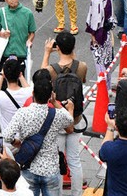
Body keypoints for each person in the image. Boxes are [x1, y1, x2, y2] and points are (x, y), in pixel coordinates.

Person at [4, 77, 74, 196]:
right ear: (50, 95)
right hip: (50, 168)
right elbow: (70, 120)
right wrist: (56, 103)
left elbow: (7, 136)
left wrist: (15, 142)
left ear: (33, 94)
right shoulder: (56, 114)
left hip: (29, 166)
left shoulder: (22, 113)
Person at [41, 32, 86, 196]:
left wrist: (47, 53)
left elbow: (40, 77)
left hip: (56, 120)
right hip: (75, 118)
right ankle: (77, 193)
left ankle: (57, 193)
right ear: (73, 47)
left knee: (58, 159)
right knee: (74, 160)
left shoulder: (51, 70)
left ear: (57, 47)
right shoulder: (82, 67)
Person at [86, 0, 115, 87]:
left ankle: (103, 88)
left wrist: (93, 34)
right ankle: (107, 85)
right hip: (107, 31)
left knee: (100, 61)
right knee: (107, 60)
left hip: (100, 33)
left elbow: (96, 18)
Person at [0, 57, 32, 131]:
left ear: (5, 75)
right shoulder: (28, 93)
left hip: (7, 138)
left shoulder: (0, 96)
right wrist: (21, 76)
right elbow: (29, 90)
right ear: (19, 73)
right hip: (23, 138)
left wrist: (1, 74)